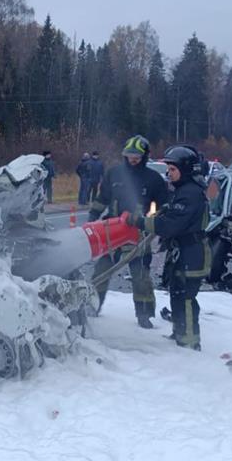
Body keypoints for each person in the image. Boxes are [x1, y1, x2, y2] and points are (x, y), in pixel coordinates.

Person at [126, 145, 210, 350]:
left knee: (187, 298)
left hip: (193, 254)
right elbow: (171, 215)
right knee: (177, 293)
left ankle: (190, 342)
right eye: (168, 169)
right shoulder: (183, 190)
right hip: (183, 252)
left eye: (172, 169)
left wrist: (138, 222)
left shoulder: (190, 193)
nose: (168, 173)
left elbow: (169, 226)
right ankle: (180, 333)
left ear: (186, 169)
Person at [89, 135, 168, 328]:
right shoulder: (114, 174)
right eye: (129, 155)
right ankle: (92, 307)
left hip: (138, 234)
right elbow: (102, 198)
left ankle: (144, 315)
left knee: (141, 276)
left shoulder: (154, 179)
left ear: (145, 156)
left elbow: (164, 206)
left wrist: (155, 224)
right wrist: (92, 219)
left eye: (137, 156)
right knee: (101, 271)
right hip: (111, 232)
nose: (133, 159)